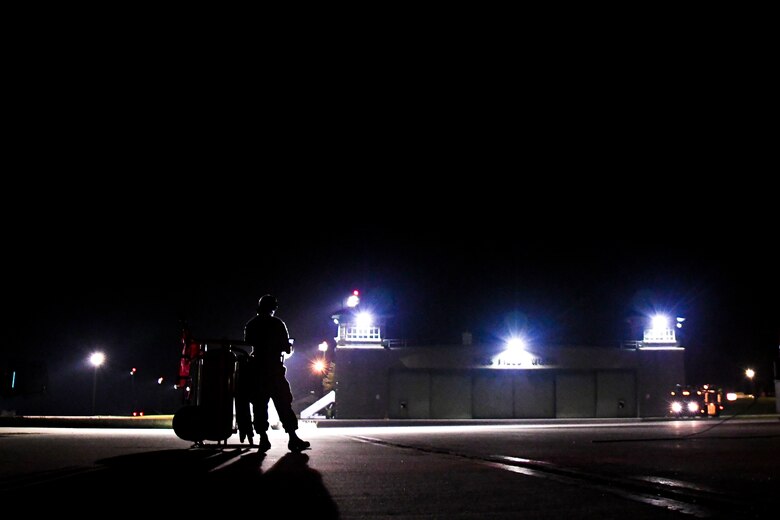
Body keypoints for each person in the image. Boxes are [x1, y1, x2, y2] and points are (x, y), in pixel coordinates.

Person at [243, 294, 310, 452]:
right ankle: (292, 438)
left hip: (257, 369)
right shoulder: (277, 323)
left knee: (259, 405)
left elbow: (248, 341)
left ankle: (263, 438)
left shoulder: (252, 324)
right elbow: (286, 347)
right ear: (273, 308)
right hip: (274, 369)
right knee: (283, 403)